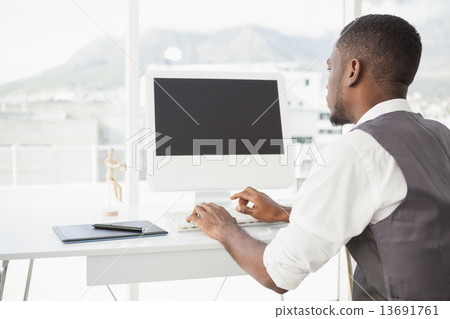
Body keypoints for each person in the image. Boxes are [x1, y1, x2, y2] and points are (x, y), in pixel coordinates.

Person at [187, 14, 450, 301]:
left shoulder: (358, 150)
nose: (327, 84)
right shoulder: (439, 134)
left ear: (352, 70)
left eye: (330, 69)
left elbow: (275, 274)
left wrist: (224, 228)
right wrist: (289, 212)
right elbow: (409, 217)